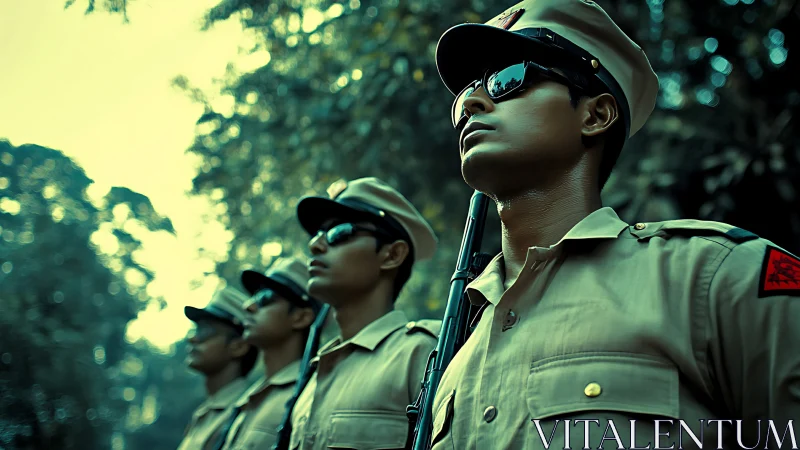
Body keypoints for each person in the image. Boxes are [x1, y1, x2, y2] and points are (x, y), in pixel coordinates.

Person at [428, 1, 800, 449]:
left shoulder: (714, 277)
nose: (471, 102)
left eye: (508, 80)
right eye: (464, 95)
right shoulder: (454, 352)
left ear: (595, 115)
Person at [287, 177, 441, 449]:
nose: (316, 245)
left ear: (392, 255)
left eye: (338, 233)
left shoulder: (423, 353)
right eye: (317, 235)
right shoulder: (313, 377)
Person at [219, 257, 321, 450]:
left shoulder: (310, 393)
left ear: (301, 317)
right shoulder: (248, 398)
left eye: (265, 298)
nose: (248, 306)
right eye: (253, 297)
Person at [178, 286, 259, 450]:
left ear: (238, 347)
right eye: (196, 330)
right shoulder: (205, 413)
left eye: (206, 331)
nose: (192, 338)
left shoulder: (244, 411)